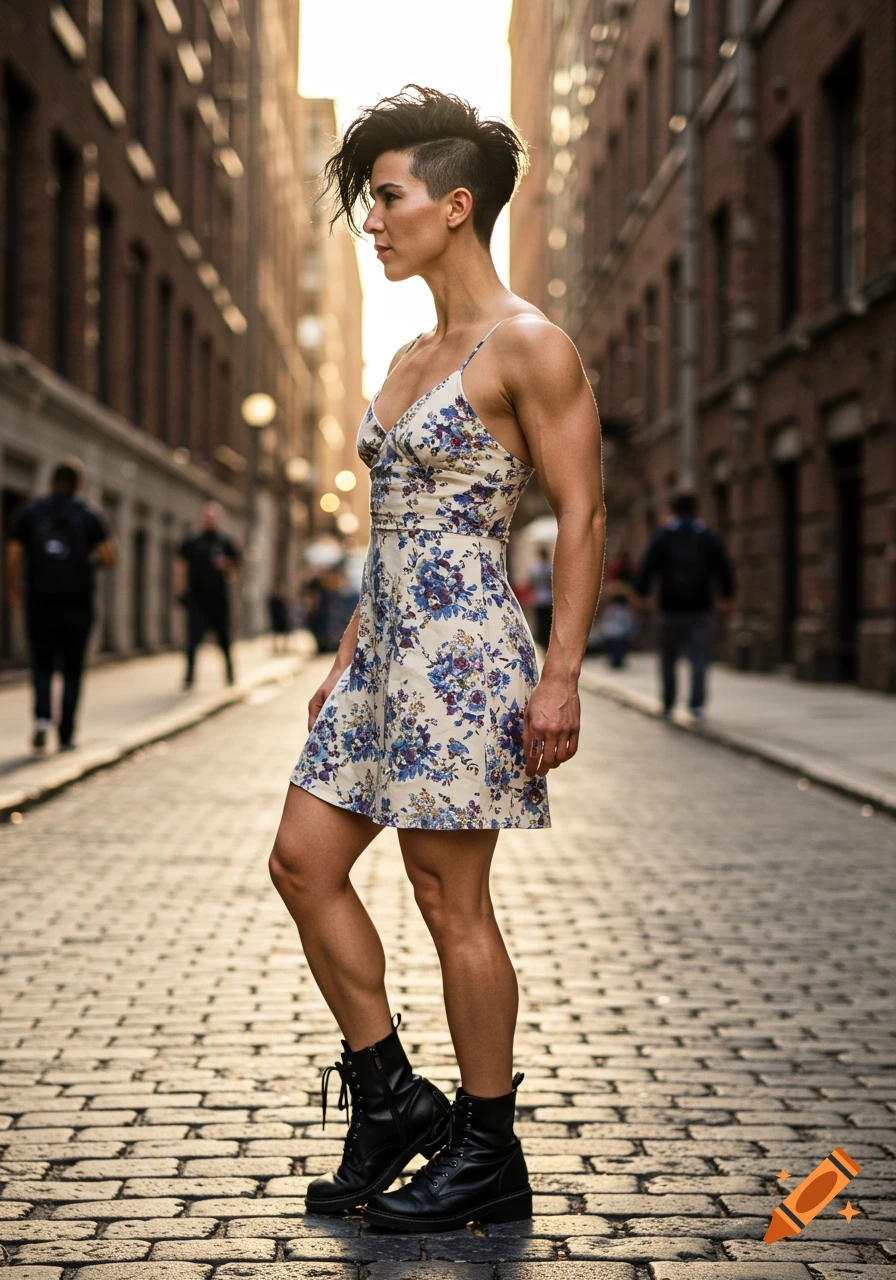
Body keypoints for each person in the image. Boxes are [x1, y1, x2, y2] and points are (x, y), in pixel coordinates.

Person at [268, 87, 606, 1233]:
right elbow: (389, 525)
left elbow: (584, 515)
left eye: (389, 198)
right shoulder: (413, 351)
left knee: (444, 896)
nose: (373, 219)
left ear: (455, 207)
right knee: (302, 861)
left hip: (464, 650)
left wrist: (558, 674)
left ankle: (487, 1144)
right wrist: (350, 651)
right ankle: (388, 1091)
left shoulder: (529, 344)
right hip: (381, 651)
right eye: (370, 200)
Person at [5, 458, 117, 751]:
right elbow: (109, 556)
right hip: (78, 604)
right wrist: (88, 563)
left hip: (41, 602)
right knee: (73, 669)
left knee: (41, 665)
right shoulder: (89, 516)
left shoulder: (31, 512)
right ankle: (66, 733)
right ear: (78, 485)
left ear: (50, 482)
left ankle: (42, 719)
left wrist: (15, 588)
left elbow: (14, 554)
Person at [632, 489, 735, 719]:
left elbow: (648, 566)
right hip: (701, 606)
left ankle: (668, 702)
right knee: (699, 657)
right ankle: (696, 705)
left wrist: (640, 593)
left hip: (671, 607)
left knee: (669, 657)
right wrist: (727, 596)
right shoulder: (707, 536)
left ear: (673, 509)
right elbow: (724, 568)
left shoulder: (664, 536)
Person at [175, 502, 241, 689]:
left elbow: (235, 572)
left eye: (213, 518)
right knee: (192, 639)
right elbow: (181, 566)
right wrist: (181, 589)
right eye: (207, 517)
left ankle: (229, 673)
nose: (209, 521)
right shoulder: (192, 542)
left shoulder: (226, 542)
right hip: (196, 599)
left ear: (218, 520)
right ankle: (189, 675)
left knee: (224, 639)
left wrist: (226, 565)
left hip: (219, 599)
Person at [598, 591, 636, 668]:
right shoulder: (625, 610)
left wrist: (603, 630)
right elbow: (629, 621)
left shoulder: (610, 609)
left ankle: (614, 660)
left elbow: (606, 620)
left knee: (612, 648)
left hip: (611, 632)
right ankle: (618, 661)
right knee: (619, 649)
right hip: (620, 633)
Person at [527, 545, 553, 648]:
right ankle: (546, 642)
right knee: (547, 622)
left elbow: (531, 582)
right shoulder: (549, 567)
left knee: (540, 622)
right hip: (548, 598)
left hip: (538, 597)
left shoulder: (535, 568)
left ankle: (542, 642)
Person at [267, 583, 292, 654]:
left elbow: (286, 608)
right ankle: (276, 647)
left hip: (282, 618)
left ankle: (284, 646)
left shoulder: (283, 598)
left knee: (284, 633)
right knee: (276, 633)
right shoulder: (273, 599)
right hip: (276, 618)